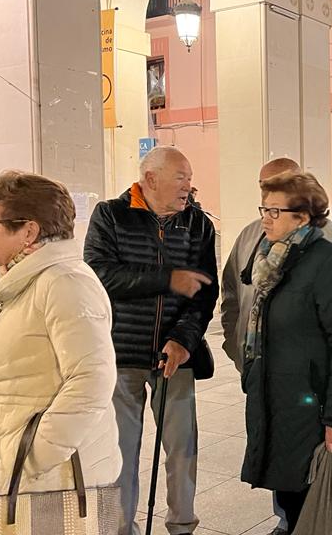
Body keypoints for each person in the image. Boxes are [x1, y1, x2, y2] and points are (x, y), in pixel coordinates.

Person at [0, 171, 123, 497]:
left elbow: (92, 379)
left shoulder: (64, 283)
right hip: (26, 467)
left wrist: (36, 455)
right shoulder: (13, 284)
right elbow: (13, 366)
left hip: (58, 477)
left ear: (28, 231)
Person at [219, 158, 332, 535]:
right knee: (291, 499)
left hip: (314, 409)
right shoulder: (271, 260)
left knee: (318, 507)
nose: (265, 219)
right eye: (264, 209)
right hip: (279, 404)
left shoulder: (331, 262)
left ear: (302, 217)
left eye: (274, 211)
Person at [84, 146, 219, 535]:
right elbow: (99, 275)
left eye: (190, 179)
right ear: (151, 178)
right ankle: (120, 527)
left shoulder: (198, 225)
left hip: (174, 357)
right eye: (181, 177)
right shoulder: (110, 215)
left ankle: (181, 525)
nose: (189, 186)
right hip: (121, 353)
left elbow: (204, 294)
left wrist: (182, 340)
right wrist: (166, 278)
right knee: (121, 452)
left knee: (182, 450)